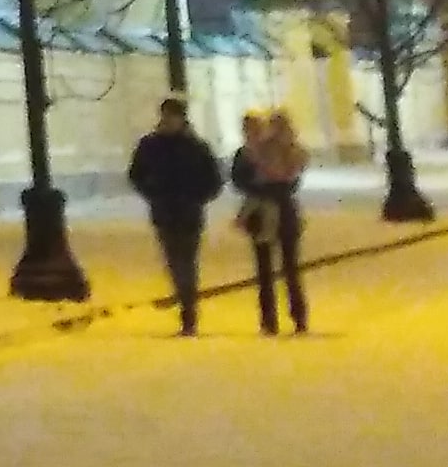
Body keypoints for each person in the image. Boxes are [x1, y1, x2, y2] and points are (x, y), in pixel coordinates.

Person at [125, 95, 225, 334]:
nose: (169, 120)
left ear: (182, 118)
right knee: (174, 261)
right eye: (166, 115)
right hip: (165, 212)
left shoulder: (196, 147)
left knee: (186, 262)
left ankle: (188, 312)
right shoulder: (150, 145)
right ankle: (186, 304)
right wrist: (153, 192)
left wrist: (197, 196)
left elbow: (214, 180)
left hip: (189, 213)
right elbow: (135, 174)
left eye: (173, 116)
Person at [229, 107, 310, 336]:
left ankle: (281, 318)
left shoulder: (285, 152)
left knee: (280, 268)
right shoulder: (256, 152)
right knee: (280, 268)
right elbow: (241, 180)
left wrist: (264, 184)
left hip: (276, 212)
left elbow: (290, 182)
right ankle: (285, 317)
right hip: (274, 212)